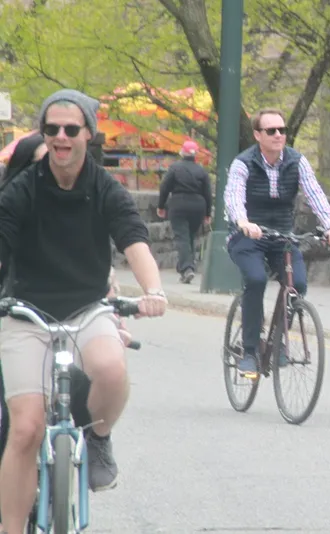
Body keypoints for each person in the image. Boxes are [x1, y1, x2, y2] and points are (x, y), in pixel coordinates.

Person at [0, 89, 167, 534]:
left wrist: (153, 290)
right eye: (51, 129)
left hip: (87, 308)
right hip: (25, 313)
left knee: (111, 369)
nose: (60, 137)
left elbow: (134, 239)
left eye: (71, 129)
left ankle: (98, 437)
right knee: (25, 429)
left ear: (89, 134)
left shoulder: (104, 186)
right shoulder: (23, 188)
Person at [224, 108, 330, 377]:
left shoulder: (296, 161)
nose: (279, 135)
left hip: (282, 237)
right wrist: (243, 222)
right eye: (271, 131)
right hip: (248, 237)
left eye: (282, 130)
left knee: (297, 284)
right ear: (257, 135)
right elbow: (233, 197)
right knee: (255, 280)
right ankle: (250, 350)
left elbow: (315, 195)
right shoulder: (244, 163)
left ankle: (278, 341)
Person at [157, 140, 212, 284]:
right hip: (198, 206)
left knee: (182, 237)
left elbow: (165, 187)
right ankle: (186, 268)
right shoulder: (201, 171)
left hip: (178, 204)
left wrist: (161, 206)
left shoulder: (175, 168)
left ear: (182, 152)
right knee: (190, 237)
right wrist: (207, 213)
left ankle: (187, 268)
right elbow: (207, 193)